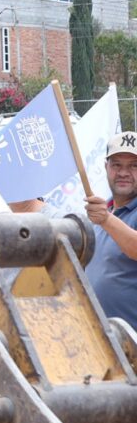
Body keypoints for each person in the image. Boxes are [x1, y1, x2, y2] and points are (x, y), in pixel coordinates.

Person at [85, 131, 137, 330]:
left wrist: (106, 219)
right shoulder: (100, 213)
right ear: (106, 168)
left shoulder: (103, 217)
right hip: (99, 341)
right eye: (117, 165)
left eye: (133, 166)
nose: (124, 172)